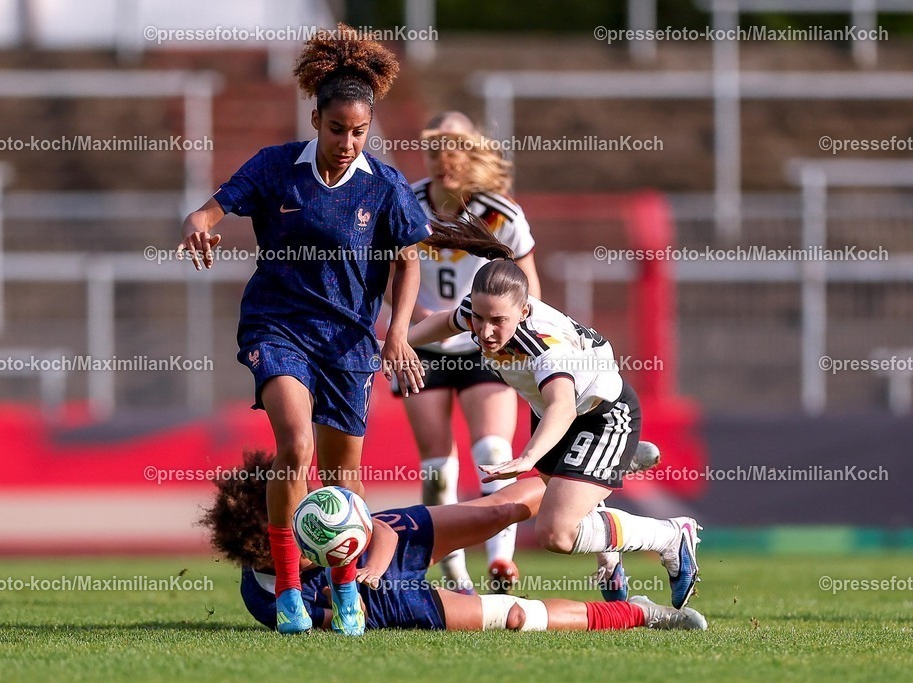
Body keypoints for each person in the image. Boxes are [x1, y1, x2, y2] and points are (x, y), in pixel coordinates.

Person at [177, 24, 429, 636]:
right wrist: (198, 222)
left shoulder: (385, 185)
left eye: (359, 131)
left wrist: (396, 334)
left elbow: (408, 258)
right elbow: (210, 207)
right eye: (337, 128)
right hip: (278, 328)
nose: (347, 141)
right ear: (315, 118)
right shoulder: (275, 169)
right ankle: (288, 588)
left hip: (348, 344)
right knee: (295, 445)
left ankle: (347, 592)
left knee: (345, 480)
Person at [405, 218, 702, 610]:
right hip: (552, 414)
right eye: (479, 317)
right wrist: (392, 344)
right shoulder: (480, 313)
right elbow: (445, 321)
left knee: (557, 533)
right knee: (566, 506)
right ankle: (612, 551)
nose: (485, 331)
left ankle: (671, 535)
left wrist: (527, 456)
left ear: (524, 310)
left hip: (600, 416)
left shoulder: (544, 345)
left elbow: (562, 406)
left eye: (498, 321)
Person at [201, 451, 708, 633]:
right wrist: (351, 597)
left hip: (379, 561)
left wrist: (369, 567)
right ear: (261, 544)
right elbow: (328, 620)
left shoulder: (313, 513)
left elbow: (377, 529)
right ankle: (645, 614)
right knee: (515, 616)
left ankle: (595, 470)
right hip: (386, 606)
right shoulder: (265, 597)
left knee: (500, 510)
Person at [385, 111, 540, 594]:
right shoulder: (406, 204)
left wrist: (505, 326)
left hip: (484, 346)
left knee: (494, 451)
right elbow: (385, 277)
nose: (443, 160)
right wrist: (409, 316)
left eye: (454, 148)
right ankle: (454, 572)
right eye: (434, 150)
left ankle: (501, 561)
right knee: (436, 467)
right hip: (424, 346)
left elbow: (529, 285)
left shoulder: (500, 213)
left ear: (472, 152)